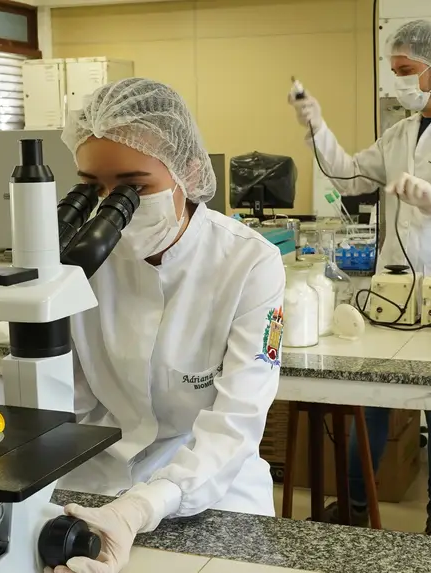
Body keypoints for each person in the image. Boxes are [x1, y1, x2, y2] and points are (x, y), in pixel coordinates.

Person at [288, 20, 431, 538]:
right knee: (370, 401)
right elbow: (348, 175)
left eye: (406, 71)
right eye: (393, 72)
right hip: (391, 292)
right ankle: (355, 506)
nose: (398, 83)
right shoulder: (398, 133)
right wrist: (317, 130)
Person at [50, 78, 286, 573]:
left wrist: (141, 506)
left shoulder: (248, 262)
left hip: (211, 485)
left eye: (135, 187)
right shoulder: (77, 260)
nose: (114, 204)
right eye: (94, 189)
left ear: (188, 170)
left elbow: (237, 418)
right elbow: (62, 403)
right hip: (93, 481)